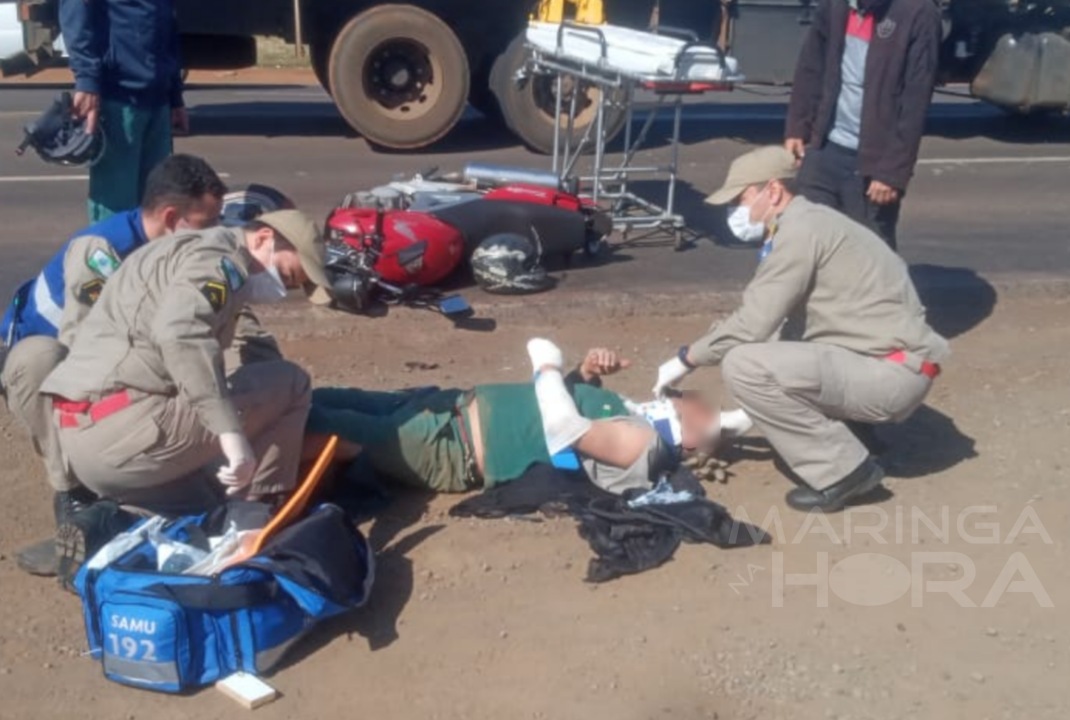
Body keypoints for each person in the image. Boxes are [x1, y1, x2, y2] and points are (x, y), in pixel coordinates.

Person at [655, 145, 949, 512]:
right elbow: (785, 331)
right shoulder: (810, 222)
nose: (736, 212)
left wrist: (686, 359)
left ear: (773, 191)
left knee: (743, 365)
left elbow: (751, 325)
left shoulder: (799, 233)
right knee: (775, 349)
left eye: (742, 199)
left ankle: (844, 473)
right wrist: (743, 420)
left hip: (891, 374)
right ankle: (856, 434)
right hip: (893, 363)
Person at [39, 210, 331, 526]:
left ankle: (104, 526)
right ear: (263, 238)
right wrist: (231, 436)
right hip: (123, 431)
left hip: (83, 441)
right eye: (286, 276)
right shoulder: (223, 262)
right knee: (290, 383)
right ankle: (256, 514)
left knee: (206, 507)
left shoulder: (177, 249)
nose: (282, 290)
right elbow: (182, 333)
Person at [1, 155, 226, 534]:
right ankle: (74, 492)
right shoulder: (103, 252)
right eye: (206, 226)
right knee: (41, 359)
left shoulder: (173, 253)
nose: (214, 235)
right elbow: (85, 352)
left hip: (105, 360)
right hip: (49, 366)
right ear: (172, 219)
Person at [304, 340, 753, 495]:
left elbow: (565, 430)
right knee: (317, 397)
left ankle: (241, 475)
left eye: (700, 403)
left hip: (446, 446)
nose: (686, 395)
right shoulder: (634, 417)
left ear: (694, 437)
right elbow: (563, 407)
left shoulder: (646, 445)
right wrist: (587, 374)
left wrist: (548, 367)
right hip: (446, 407)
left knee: (314, 420)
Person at [783, 0, 942, 250]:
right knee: (810, 244)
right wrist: (798, 125)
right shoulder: (836, 5)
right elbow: (812, 64)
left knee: (871, 255)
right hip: (825, 150)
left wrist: (892, 172)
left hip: (872, 166)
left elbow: (915, 102)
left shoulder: (918, 12)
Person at [59, 0, 187, 221]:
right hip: (118, 97)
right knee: (116, 208)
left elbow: (168, 28)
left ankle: (147, 256)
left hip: (158, 99)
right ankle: (112, 254)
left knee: (158, 203)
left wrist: (175, 95)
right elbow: (76, 19)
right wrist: (87, 81)